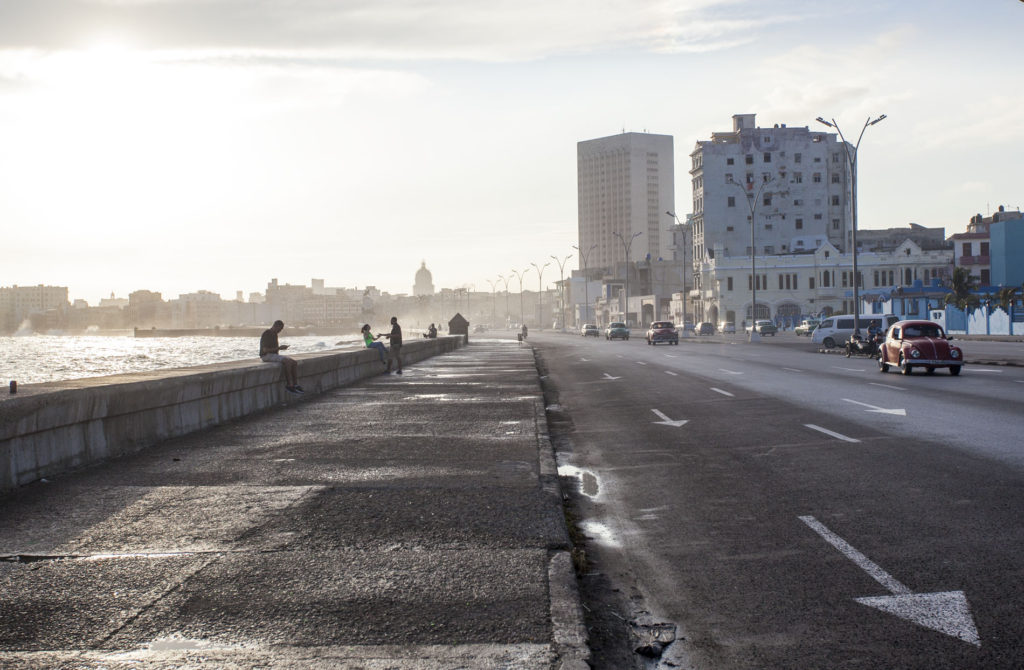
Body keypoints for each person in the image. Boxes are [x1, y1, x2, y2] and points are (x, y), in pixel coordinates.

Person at [260, 320, 303, 394]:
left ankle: (296, 384)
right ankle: (290, 385)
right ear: (276, 326)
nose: (280, 331)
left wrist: (280, 349)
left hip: (273, 355)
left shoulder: (274, 334)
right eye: (280, 329)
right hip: (266, 356)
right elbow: (265, 350)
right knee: (287, 362)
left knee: (294, 363)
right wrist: (279, 348)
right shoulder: (267, 333)